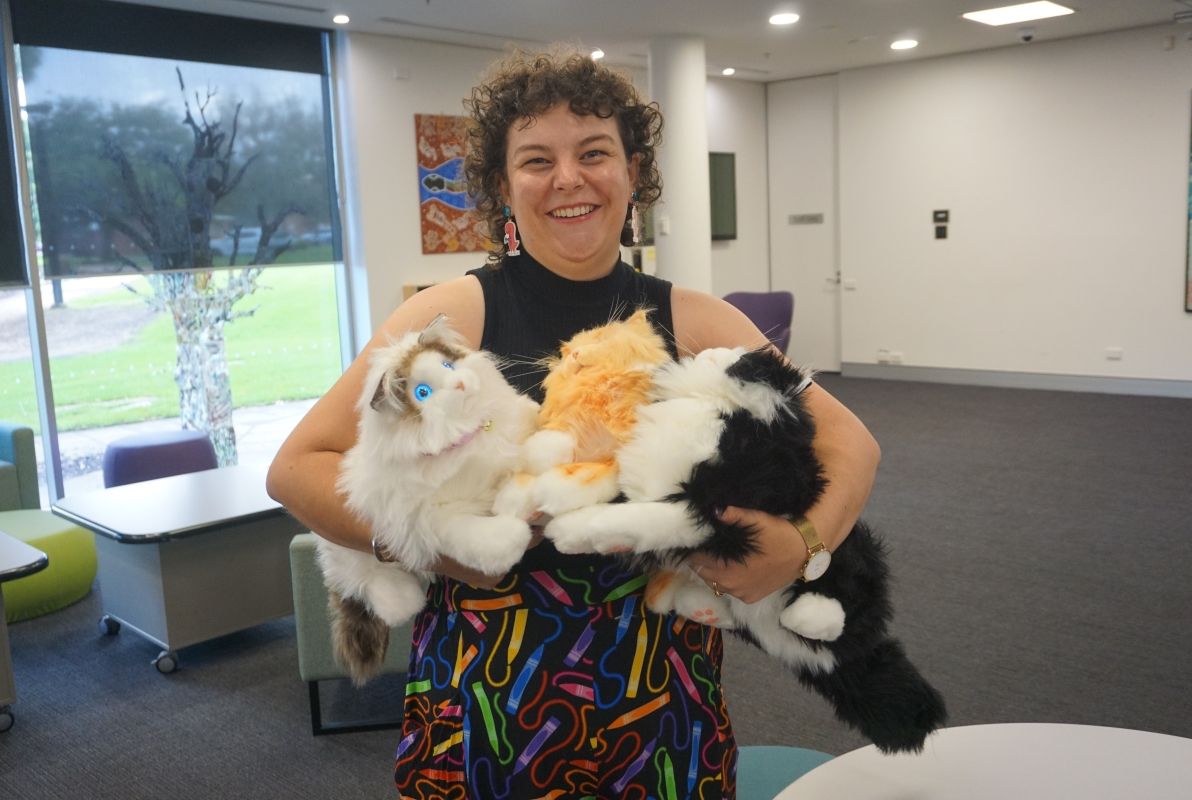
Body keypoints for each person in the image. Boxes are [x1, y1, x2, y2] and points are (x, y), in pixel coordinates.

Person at [267, 49, 880, 799]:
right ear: (502, 185)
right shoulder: (454, 316)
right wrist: (424, 539)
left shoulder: (694, 318)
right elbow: (296, 465)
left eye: (594, 152)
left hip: (660, 700)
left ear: (634, 170)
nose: (569, 179)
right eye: (536, 159)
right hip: (486, 705)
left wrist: (801, 544)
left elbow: (852, 442)